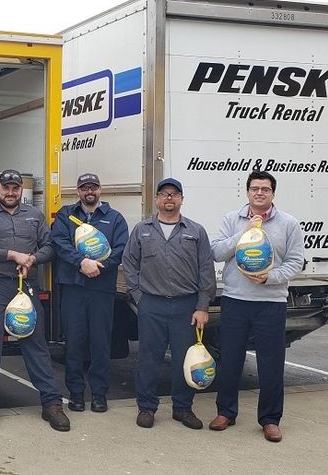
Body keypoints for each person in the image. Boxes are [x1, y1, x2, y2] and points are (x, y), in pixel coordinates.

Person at [0, 169, 69, 432]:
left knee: (35, 339)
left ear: (21, 190)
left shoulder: (34, 215)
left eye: (15, 188)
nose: (10, 192)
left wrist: (33, 259)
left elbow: (49, 246)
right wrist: (13, 255)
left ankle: (52, 403)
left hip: (26, 286)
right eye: (6, 187)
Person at [209, 170, 305, 442]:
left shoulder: (289, 224)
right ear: (247, 192)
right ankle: (226, 412)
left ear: (273, 193)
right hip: (235, 300)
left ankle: (270, 420)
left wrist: (270, 278)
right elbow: (216, 252)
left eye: (265, 189)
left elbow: (296, 261)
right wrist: (244, 232)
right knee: (229, 360)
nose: (259, 192)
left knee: (271, 363)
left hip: (270, 302)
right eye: (255, 188)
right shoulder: (232, 219)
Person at [122, 178, 216, 430]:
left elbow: (206, 269)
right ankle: (146, 408)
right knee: (148, 358)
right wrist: (139, 297)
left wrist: (202, 306)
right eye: (164, 194)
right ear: (156, 199)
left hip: (186, 306)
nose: (169, 198)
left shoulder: (195, 231)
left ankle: (183, 408)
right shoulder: (142, 229)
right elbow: (129, 263)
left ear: (182, 199)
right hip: (151, 304)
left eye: (174, 194)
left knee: (185, 359)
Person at [50, 173, 128, 413]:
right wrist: (81, 262)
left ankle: (99, 394)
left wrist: (99, 265)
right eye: (84, 188)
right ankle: (75, 393)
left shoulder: (115, 218)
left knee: (100, 343)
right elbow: (59, 242)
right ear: (78, 191)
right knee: (74, 342)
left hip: (101, 289)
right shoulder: (66, 215)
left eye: (93, 187)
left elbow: (121, 248)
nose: (89, 191)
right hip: (73, 288)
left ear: (100, 189)